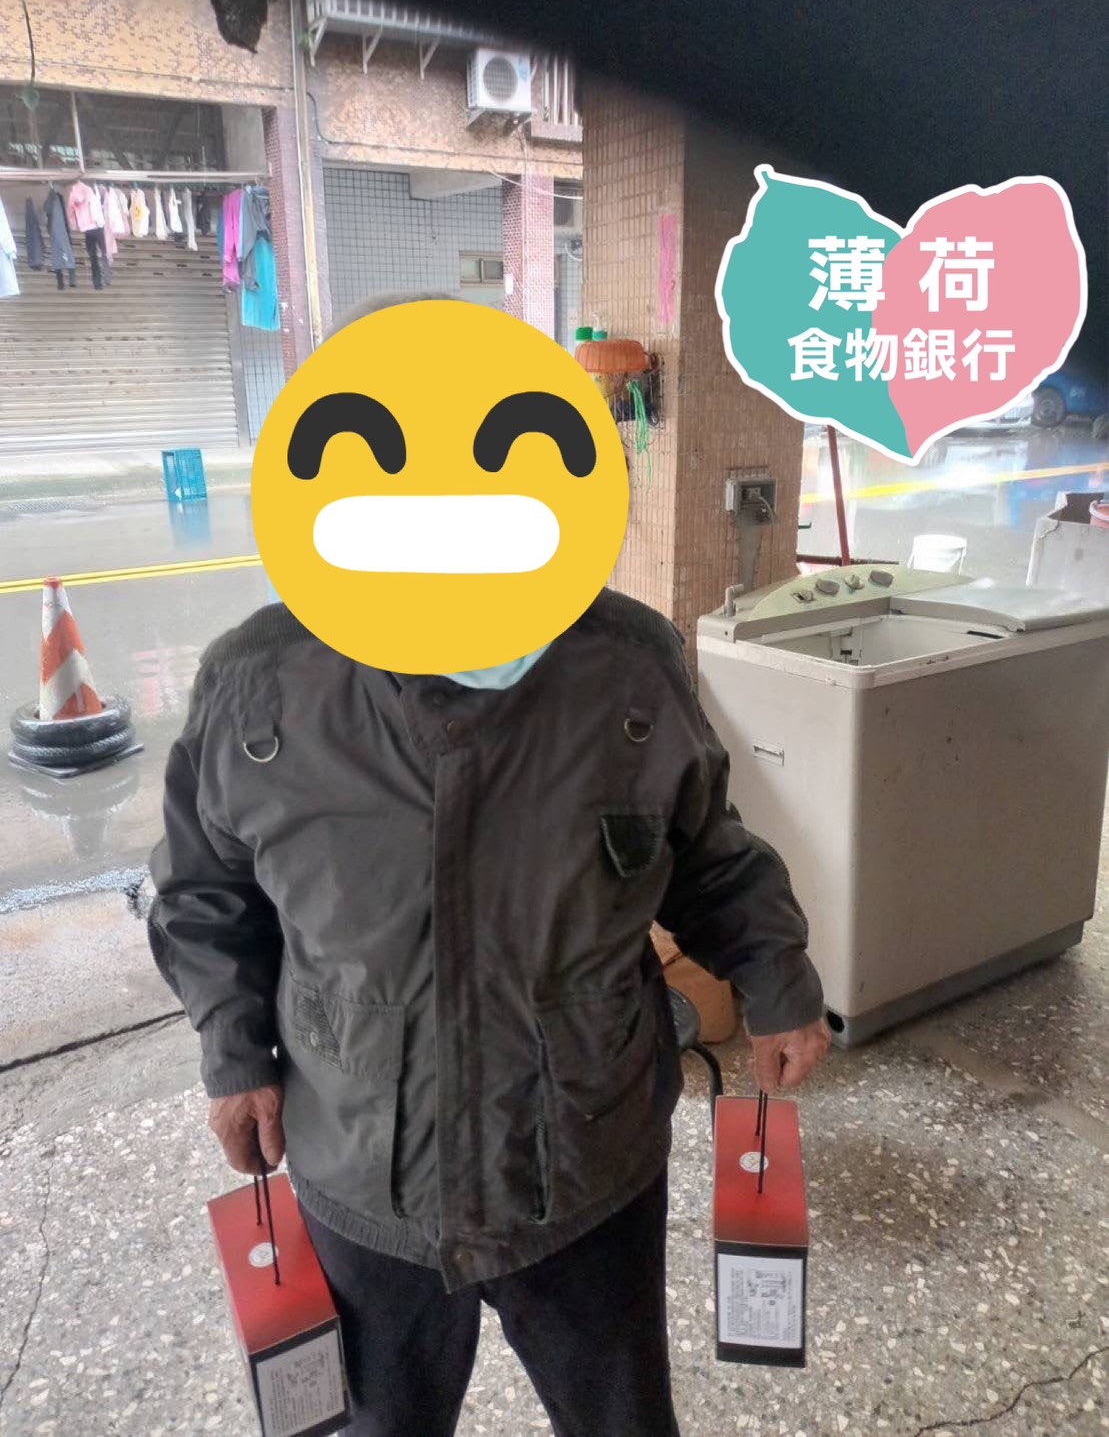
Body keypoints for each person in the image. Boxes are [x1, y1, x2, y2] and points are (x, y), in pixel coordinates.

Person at [147, 290, 830, 1437]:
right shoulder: (257, 684)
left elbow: (706, 852)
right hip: (362, 1168)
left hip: (586, 1159)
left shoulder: (624, 666)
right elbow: (203, 896)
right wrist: (234, 1052)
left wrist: (778, 979)